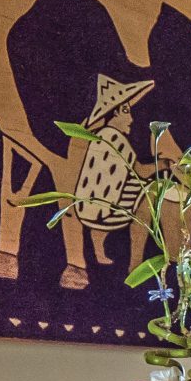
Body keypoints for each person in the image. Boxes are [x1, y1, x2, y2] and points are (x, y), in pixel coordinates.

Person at [65, 73, 156, 280]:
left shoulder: (101, 137)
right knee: (150, 193)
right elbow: (139, 170)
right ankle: (136, 263)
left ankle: (98, 246)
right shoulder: (116, 138)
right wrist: (164, 166)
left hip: (86, 209)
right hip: (103, 212)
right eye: (126, 111)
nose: (131, 119)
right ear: (116, 112)